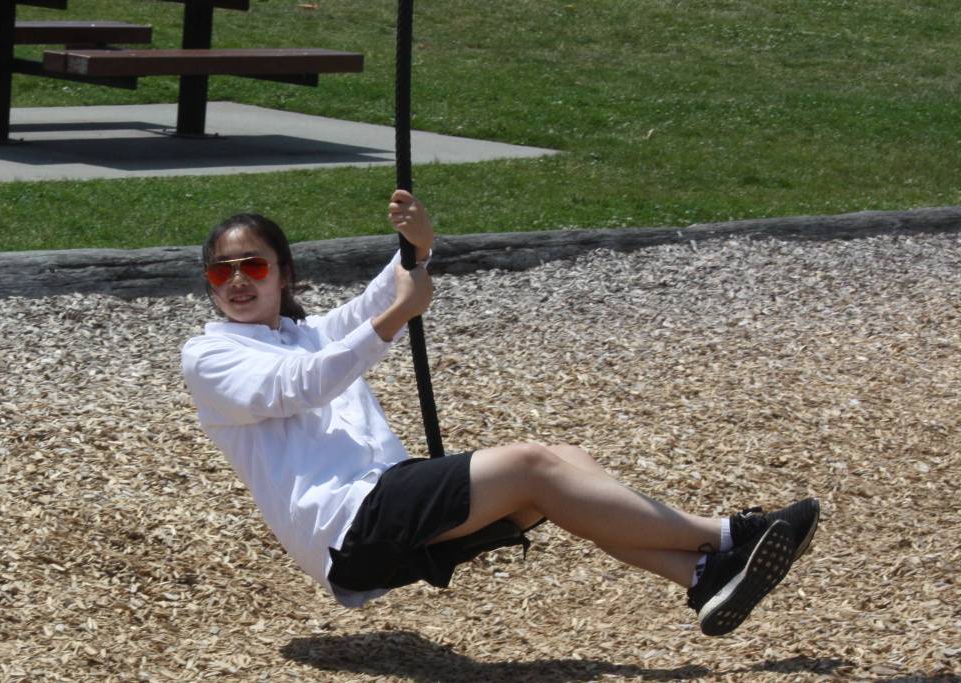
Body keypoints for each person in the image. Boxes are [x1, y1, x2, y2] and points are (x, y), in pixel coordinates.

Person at [181, 190, 820, 637]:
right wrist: (400, 312)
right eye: (221, 272)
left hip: (387, 510)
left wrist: (419, 246)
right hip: (346, 526)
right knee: (534, 465)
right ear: (210, 284)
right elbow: (300, 385)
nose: (238, 281)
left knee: (568, 469)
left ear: (283, 273)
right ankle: (729, 535)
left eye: (253, 265)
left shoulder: (308, 332)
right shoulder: (211, 357)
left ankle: (699, 576)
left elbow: (382, 295)